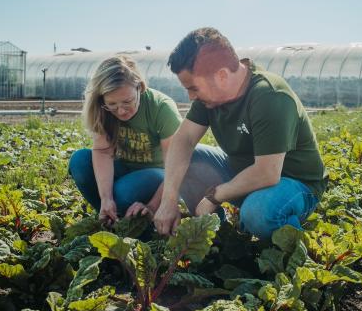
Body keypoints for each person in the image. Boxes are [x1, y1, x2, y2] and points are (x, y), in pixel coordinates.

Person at [153, 27, 328, 239]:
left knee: (258, 212)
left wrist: (214, 197)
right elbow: (184, 140)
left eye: (193, 88)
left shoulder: (269, 95)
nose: (191, 97)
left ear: (222, 76)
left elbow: (267, 173)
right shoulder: (208, 98)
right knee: (191, 156)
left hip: (293, 183)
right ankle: (218, 237)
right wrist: (169, 200)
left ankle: (292, 252)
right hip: (242, 175)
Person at [68, 56, 182, 225]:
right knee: (79, 161)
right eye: (112, 104)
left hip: (159, 175)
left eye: (127, 101)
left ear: (140, 87)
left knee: (122, 193)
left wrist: (152, 206)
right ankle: (110, 216)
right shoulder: (101, 111)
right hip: (124, 170)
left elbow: (176, 167)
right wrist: (106, 198)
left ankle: (140, 222)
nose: (121, 111)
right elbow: (102, 151)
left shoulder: (162, 108)